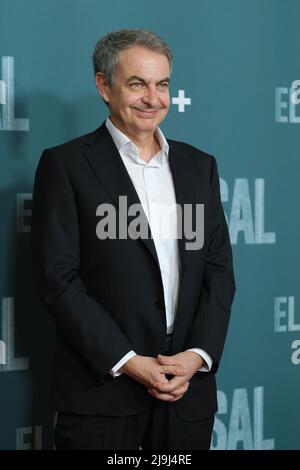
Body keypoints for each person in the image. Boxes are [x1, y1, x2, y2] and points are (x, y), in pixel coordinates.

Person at [31, 28, 236, 450]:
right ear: (103, 86)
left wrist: (197, 356)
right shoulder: (66, 166)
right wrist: (127, 362)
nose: (153, 98)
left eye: (162, 84)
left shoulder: (200, 167)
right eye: (137, 83)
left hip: (186, 395)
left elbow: (218, 272)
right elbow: (58, 279)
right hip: (101, 395)